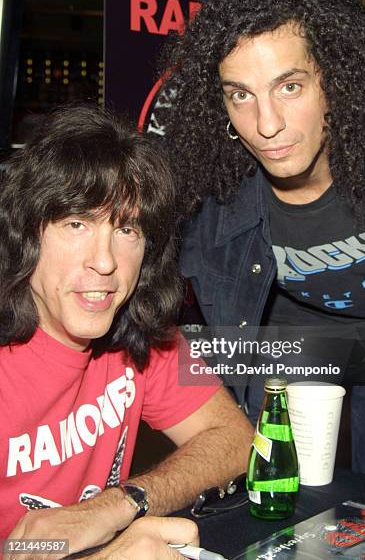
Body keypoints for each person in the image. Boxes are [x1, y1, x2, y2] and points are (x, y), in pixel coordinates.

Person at [157, 0, 365, 480]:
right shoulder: (211, 201)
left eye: (289, 86)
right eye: (240, 94)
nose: (267, 124)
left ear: (336, 80)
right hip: (296, 347)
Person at [0, 104, 253, 557]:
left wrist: (120, 504)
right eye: (76, 224)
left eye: (127, 230)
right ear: (26, 234)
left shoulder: (138, 328)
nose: (105, 262)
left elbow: (235, 441)